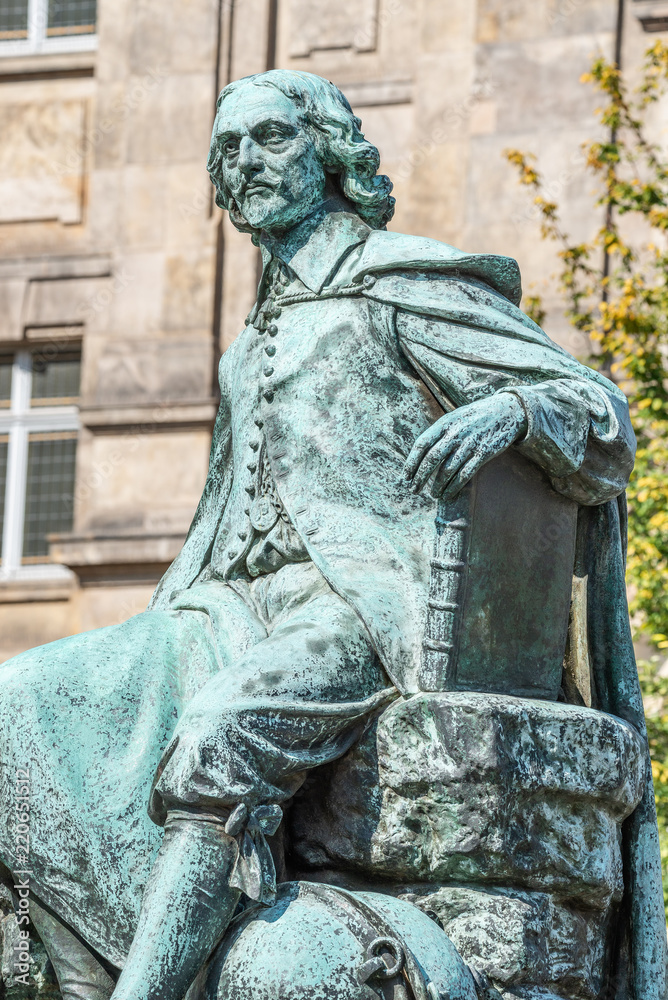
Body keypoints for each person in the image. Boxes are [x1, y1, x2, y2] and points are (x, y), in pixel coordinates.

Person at [0, 69, 663, 1000]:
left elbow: (599, 414)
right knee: (17, 700)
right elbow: (221, 508)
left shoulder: (400, 284)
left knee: (220, 737)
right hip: (229, 601)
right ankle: (85, 973)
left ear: (331, 151)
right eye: (228, 151)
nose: (246, 164)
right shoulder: (253, 332)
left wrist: (512, 411)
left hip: (358, 597)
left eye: (270, 139)